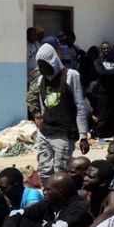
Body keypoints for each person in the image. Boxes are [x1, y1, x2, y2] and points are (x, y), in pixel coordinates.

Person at [33, 44, 90, 186]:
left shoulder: (71, 76)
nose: (43, 68)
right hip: (45, 132)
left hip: (64, 134)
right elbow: (43, 105)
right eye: (40, 65)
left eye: (45, 64)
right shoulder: (41, 80)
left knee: (61, 172)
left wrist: (83, 135)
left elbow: (79, 106)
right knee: (45, 170)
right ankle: (48, 200)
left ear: (53, 61)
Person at [94, 42, 114, 138]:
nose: (106, 50)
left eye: (108, 48)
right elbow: (101, 73)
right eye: (104, 49)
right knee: (103, 115)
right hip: (103, 92)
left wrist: (108, 73)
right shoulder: (98, 61)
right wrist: (113, 73)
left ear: (111, 49)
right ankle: (101, 137)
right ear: (101, 50)